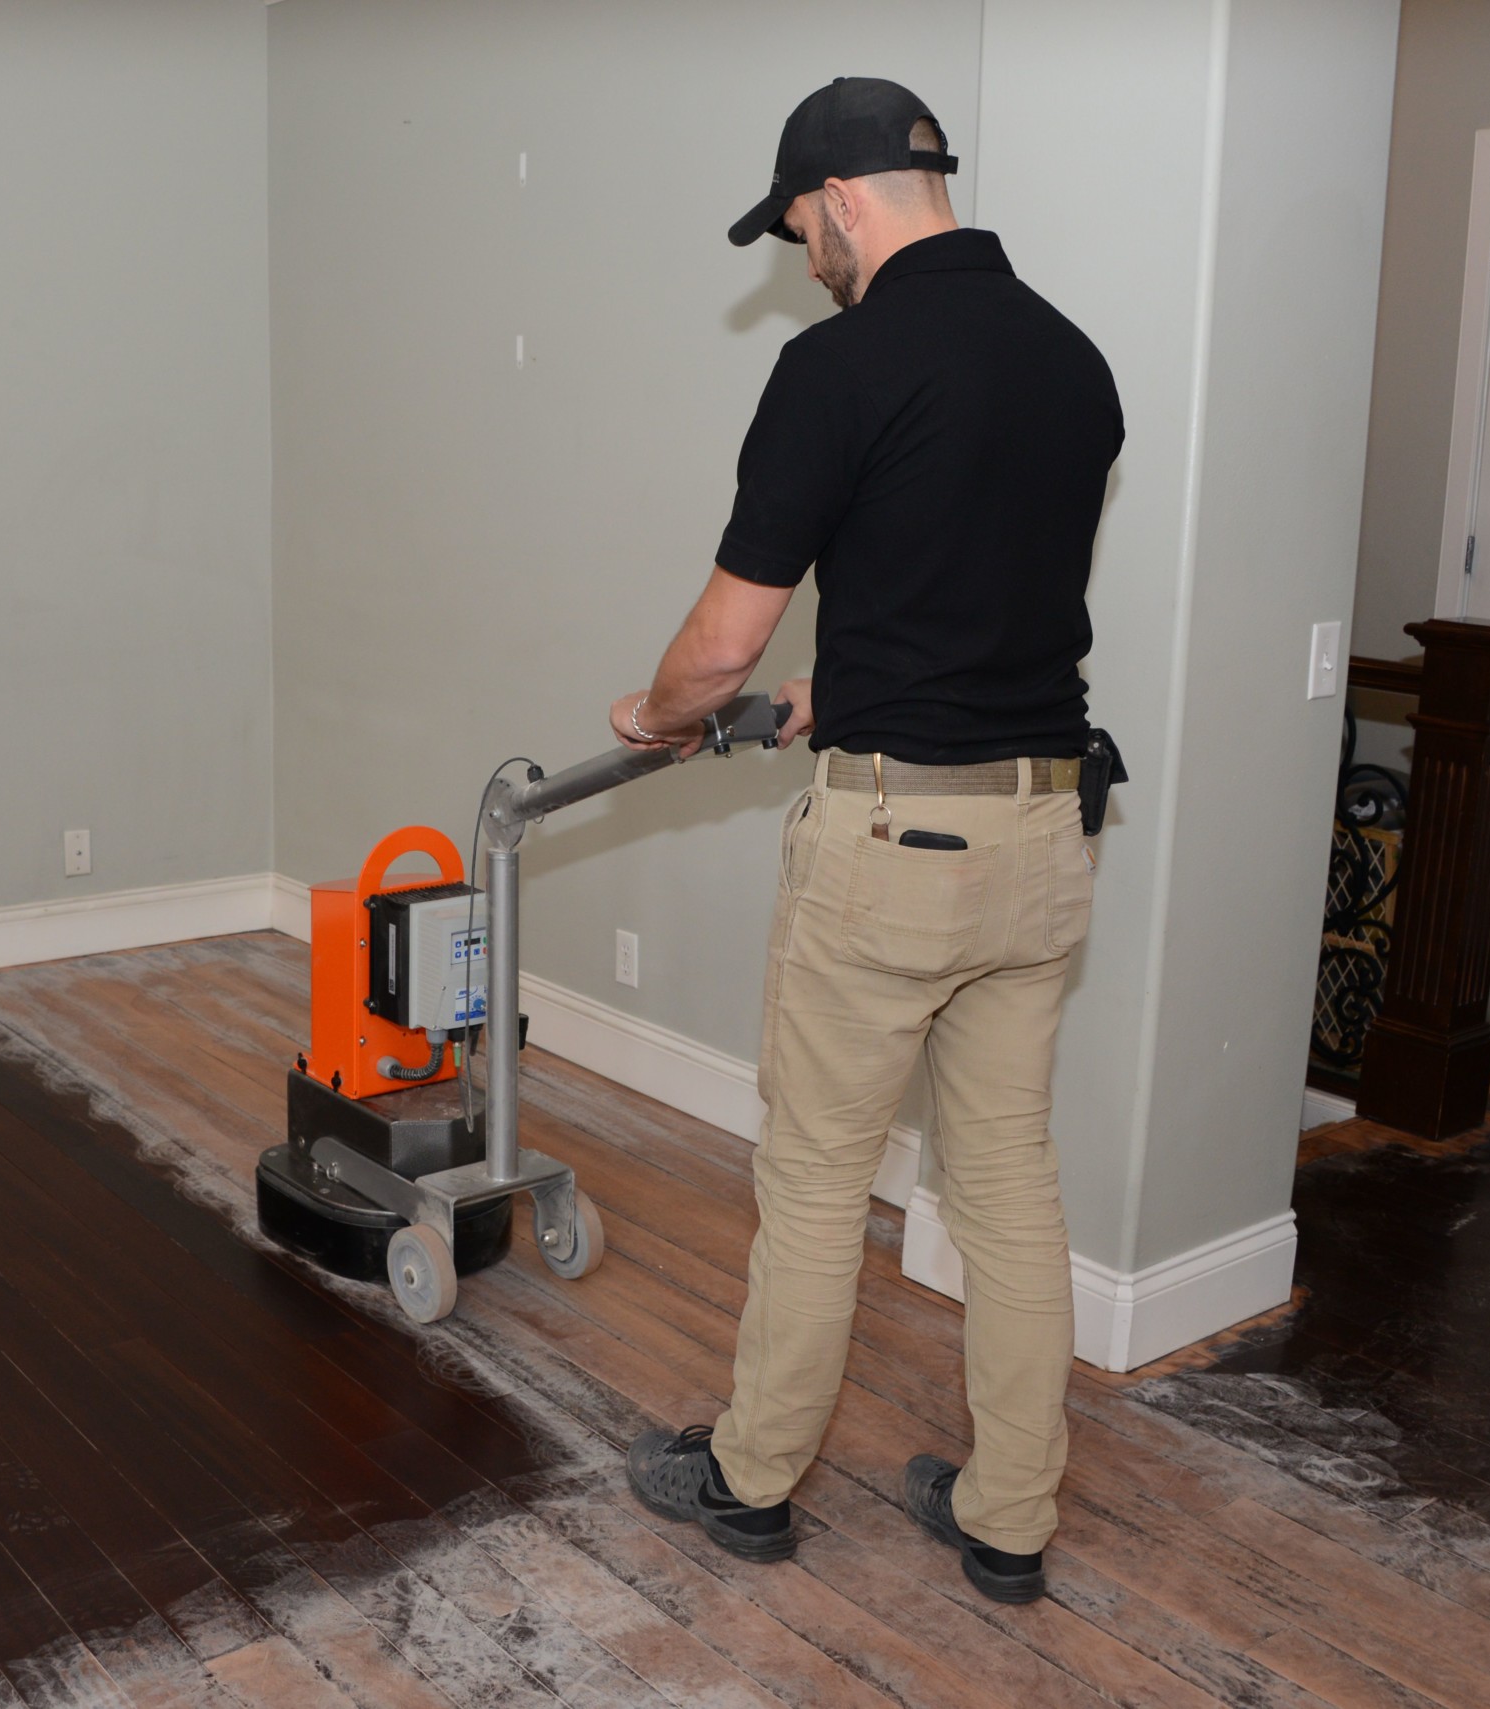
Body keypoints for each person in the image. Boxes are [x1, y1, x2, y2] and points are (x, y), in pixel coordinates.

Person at [613, 76, 1123, 1604]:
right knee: (1010, 1187)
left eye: (796, 230)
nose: (803, 259)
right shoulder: (1074, 362)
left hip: (894, 845)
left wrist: (659, 710)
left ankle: (755, 1480)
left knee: (820, 1176)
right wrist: (839, 688)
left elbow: (718, 642)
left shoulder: (840, 369)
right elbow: (976, 591)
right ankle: (1009, 1513)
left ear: (840, 199)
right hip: (1043, 831)